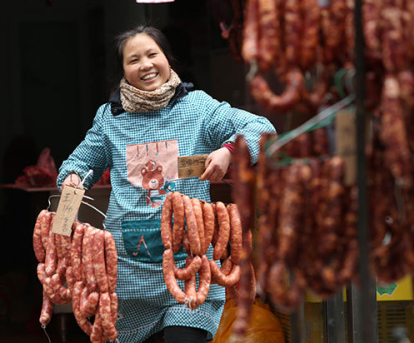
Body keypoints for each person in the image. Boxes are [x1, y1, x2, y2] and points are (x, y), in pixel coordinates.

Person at [57, 25, 276, 343]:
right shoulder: (110, 119)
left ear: (168, 60)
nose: (144, 65)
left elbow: (261, 127)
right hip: (129, 274)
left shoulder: (198, 108)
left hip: (190, 267)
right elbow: (78, 164)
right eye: (134, 60)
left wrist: (228, 151)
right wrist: (74, 179)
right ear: (123, 70)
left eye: (152, 54)